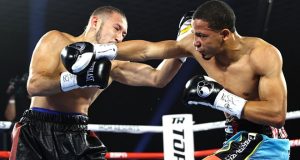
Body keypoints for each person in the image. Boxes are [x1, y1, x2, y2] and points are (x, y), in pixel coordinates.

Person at [115, 0, 290, 159]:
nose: (195, 42)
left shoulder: (262, 54)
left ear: (225, 34)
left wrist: (220, 98)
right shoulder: (197, 46)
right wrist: (99, 50)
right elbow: (148, 50)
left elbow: (276, 115)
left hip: (265, 141)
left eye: (202, 36)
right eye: (194, 34)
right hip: (235, 139)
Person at [10, 6, 185, 160]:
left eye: (123, 34)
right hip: (38, 130)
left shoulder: (113, 65)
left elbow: (158, 78)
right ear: (95, 22)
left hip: (78, 133)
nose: (119, 38)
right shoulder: (57, 40)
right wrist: (79, 79)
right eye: (116, 28)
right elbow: (34, 86)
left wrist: (185, 47)